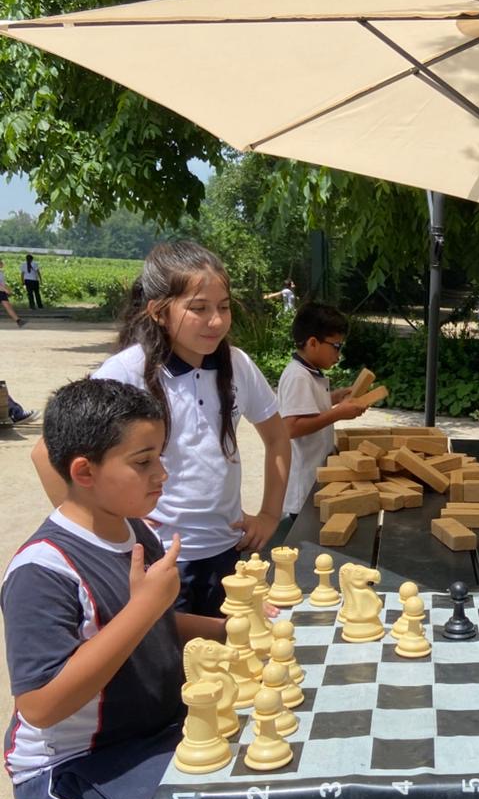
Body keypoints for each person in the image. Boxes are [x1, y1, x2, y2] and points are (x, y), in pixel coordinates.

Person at [3, 377, 272, 799]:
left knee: (257, 789)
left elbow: (157, 626)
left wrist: (233, 629)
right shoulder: (43, 571)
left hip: (148, 737)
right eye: (144, 462)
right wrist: (145, 607)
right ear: (85, 472)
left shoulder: (133, 532)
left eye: (160, 457)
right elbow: (41, 705)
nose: (162, 474)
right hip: (75, 772)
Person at [31, 241, 290, 617]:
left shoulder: (238, 365)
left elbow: (278, 437)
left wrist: (269, 515)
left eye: (223, 307)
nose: (216, 321)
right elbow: (45, 452)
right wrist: (105, 532)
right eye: (198, 309)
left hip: (228, 552)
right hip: (159, 560)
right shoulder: (127, 371)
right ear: (158, 312)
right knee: (170, 654)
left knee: (233, 649)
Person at [276, 302, 369, 525]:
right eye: (336, 346)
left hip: (316, 479)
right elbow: (291, 427)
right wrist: (338, 413)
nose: (338, 354)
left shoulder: (309, 373)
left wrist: (335, 397)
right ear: (312, 343)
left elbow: (308, 406)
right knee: (309, 538)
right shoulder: (298, 377)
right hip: (305, 487)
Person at [0, 259, 26, 327]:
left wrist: (7, 289)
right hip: (1, 291)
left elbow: (2, 283)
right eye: (1, 263)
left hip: (2, 292)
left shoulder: (1, 273)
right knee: (8, 307)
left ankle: (19, 321)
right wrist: (5, 290)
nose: (3, 264)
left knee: (8, 307)